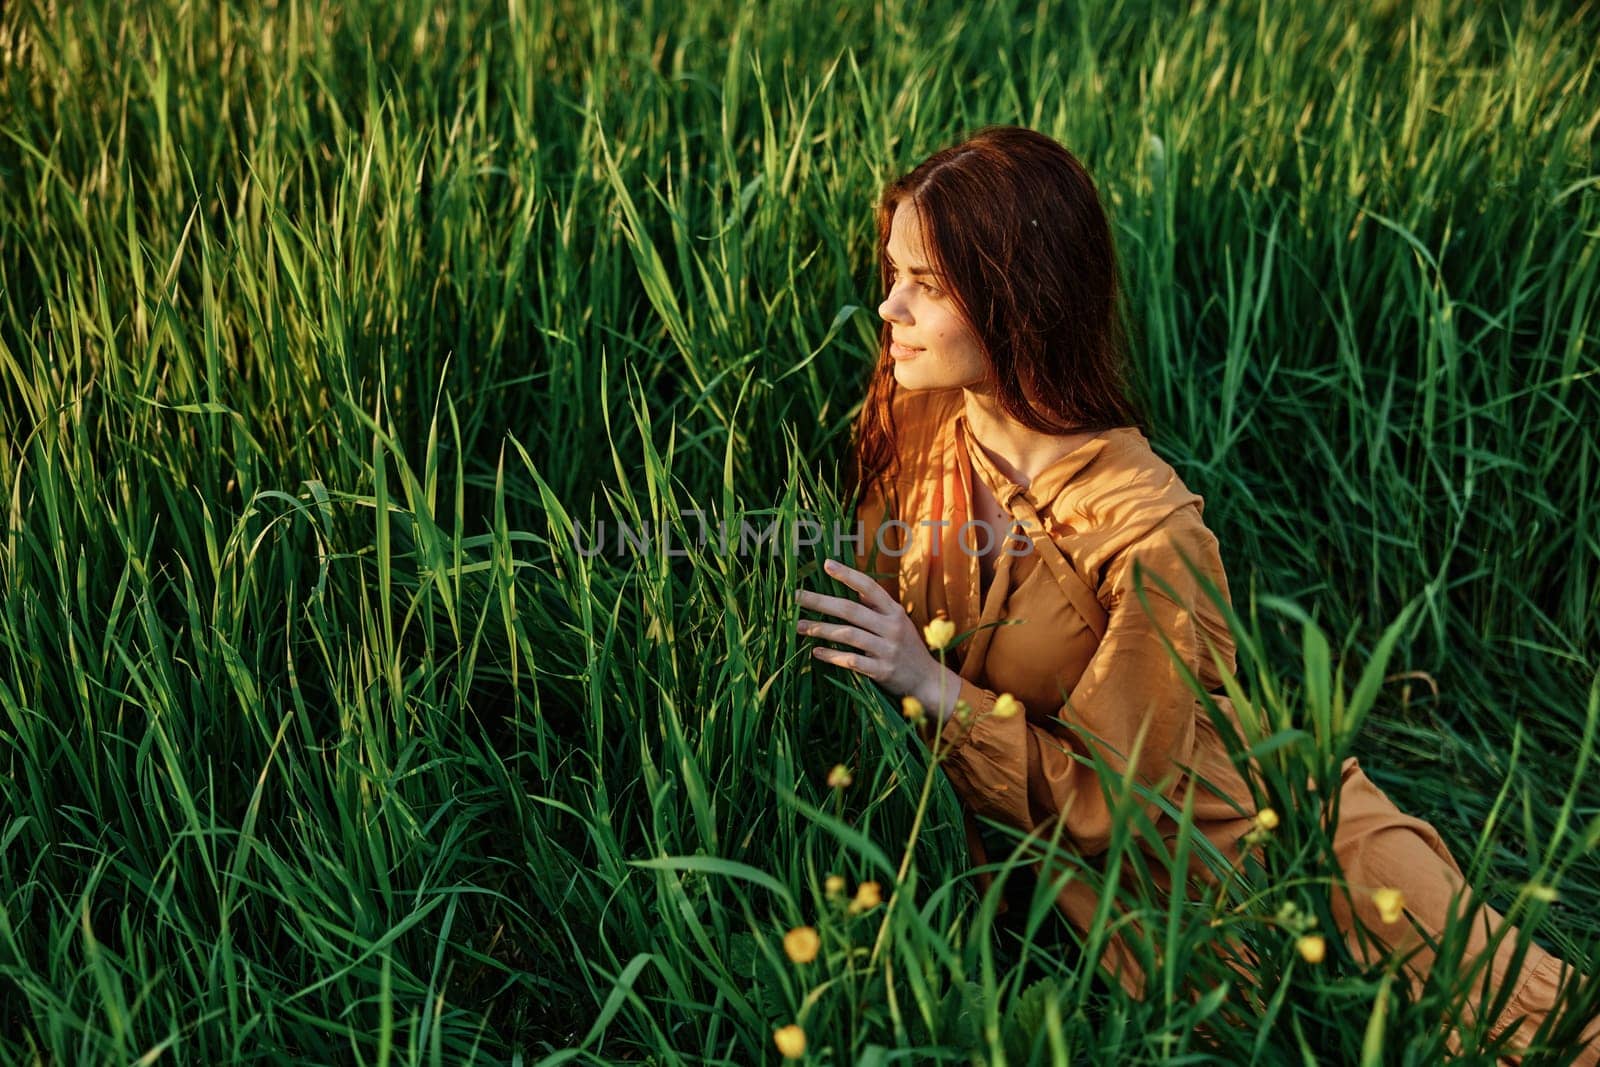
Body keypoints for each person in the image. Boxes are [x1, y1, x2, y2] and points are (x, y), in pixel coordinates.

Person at [792, 125, 1599, 1062]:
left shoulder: (1152, 529)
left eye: (923, 285)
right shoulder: (922, 410)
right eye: (893, 272)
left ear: (1019, 298)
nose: (886, 307)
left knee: (1532, 1031)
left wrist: (930, 687)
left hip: (1260, 836)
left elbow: (1107, 801)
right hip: (1088, 883)